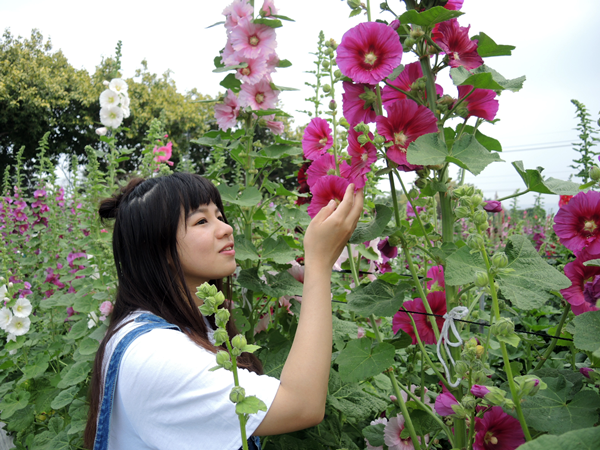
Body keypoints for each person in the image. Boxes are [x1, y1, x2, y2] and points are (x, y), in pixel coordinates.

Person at [84, 172, 363, 450]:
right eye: (202, 220)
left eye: (219, 215)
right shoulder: (156, 355)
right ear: (160, 248)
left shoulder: (177, 326)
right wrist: (319, 262)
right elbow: (301, 405)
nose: (226, 228)